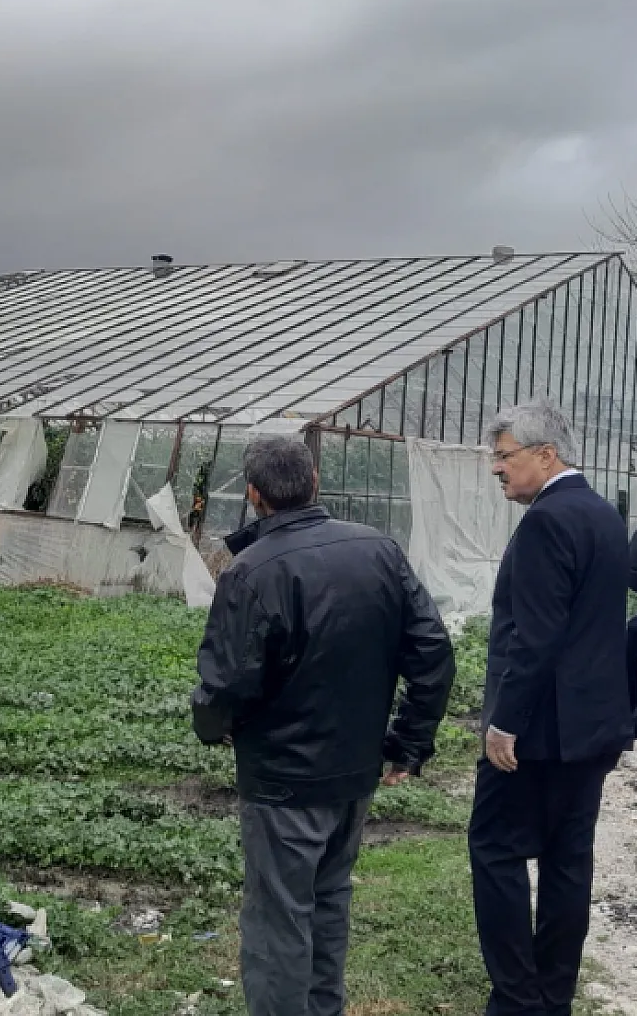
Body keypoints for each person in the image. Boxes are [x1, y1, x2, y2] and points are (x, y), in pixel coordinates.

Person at [192, 434, 455, 1016]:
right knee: (329, 899)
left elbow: (226, 682)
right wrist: (409, 743)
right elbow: (432, 650)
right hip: (354, 772)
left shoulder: (252, 570)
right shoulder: (377, 550)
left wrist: (213, 725)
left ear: (256, 496)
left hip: (284, 781)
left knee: (278, 918)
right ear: (313, 484)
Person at [472, 400, 634, 1016]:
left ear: (546, 454)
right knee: (569, 859)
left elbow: (534, 636)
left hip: (538, 728)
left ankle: (516, 998)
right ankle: (553, 993)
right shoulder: (601, 513)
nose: (497, 469)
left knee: (495, 850)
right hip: (592, 723)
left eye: (504, 456)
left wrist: (505, 719)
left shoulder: (546, 521)